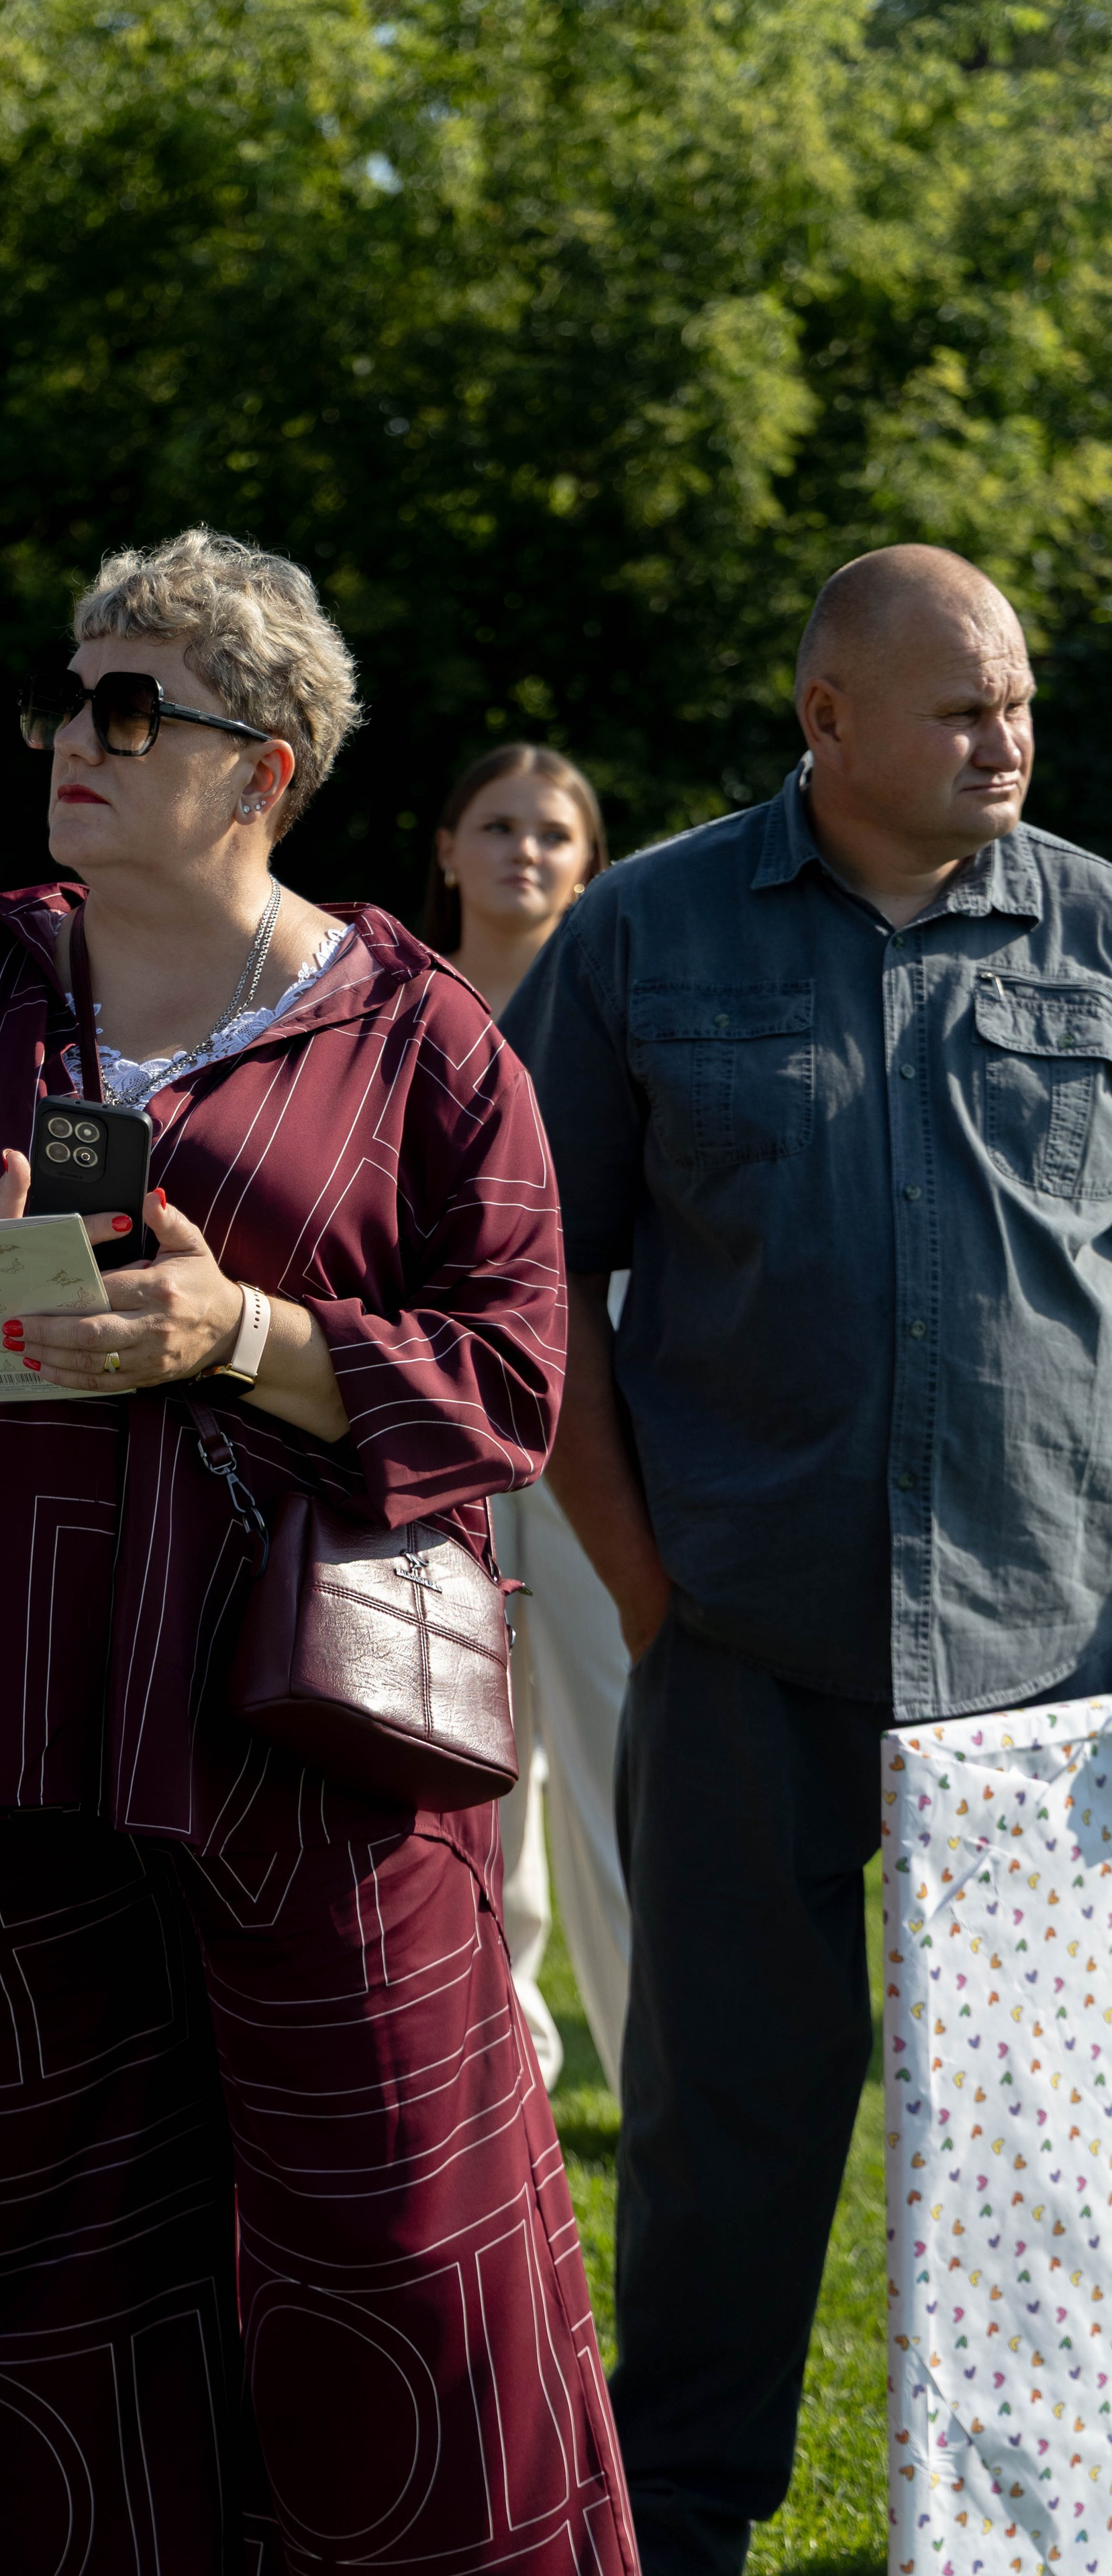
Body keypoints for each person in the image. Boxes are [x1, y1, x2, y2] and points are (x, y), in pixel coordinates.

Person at [0, 529, 638, 2573]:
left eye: (132, 706)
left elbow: (512, 1376)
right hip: (12, 1752)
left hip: (317, 1761)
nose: (77, 732)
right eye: (67, 694)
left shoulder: (420, 1038)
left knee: (401, 2280)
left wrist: (246, 1336)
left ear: (267, 768)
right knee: (54, 2300)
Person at [504, 541, 1112, 2576]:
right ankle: (679, 2516)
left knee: (1042, 2141)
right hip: (745, 1636)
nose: (1006, 740)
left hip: (1051, 1659)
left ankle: (1038, 2524)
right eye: (961, 709)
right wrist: (647, 1588)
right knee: (721, 2122)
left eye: (1017, 702)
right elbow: (536, 1286)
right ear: (824, 718)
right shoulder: (645, 930)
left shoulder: (1098, 929)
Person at [425, 744, 631, 2091]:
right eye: (496, 826)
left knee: (619, 1761)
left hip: (600, 1425)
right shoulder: (395, 1006)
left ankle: (651, 2065)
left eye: (552, 833)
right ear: (446, 849)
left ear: (588, 866)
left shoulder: (623, 1011)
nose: (524, 852)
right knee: (468, 1764)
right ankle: (500, 2069)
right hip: (442, 1417)